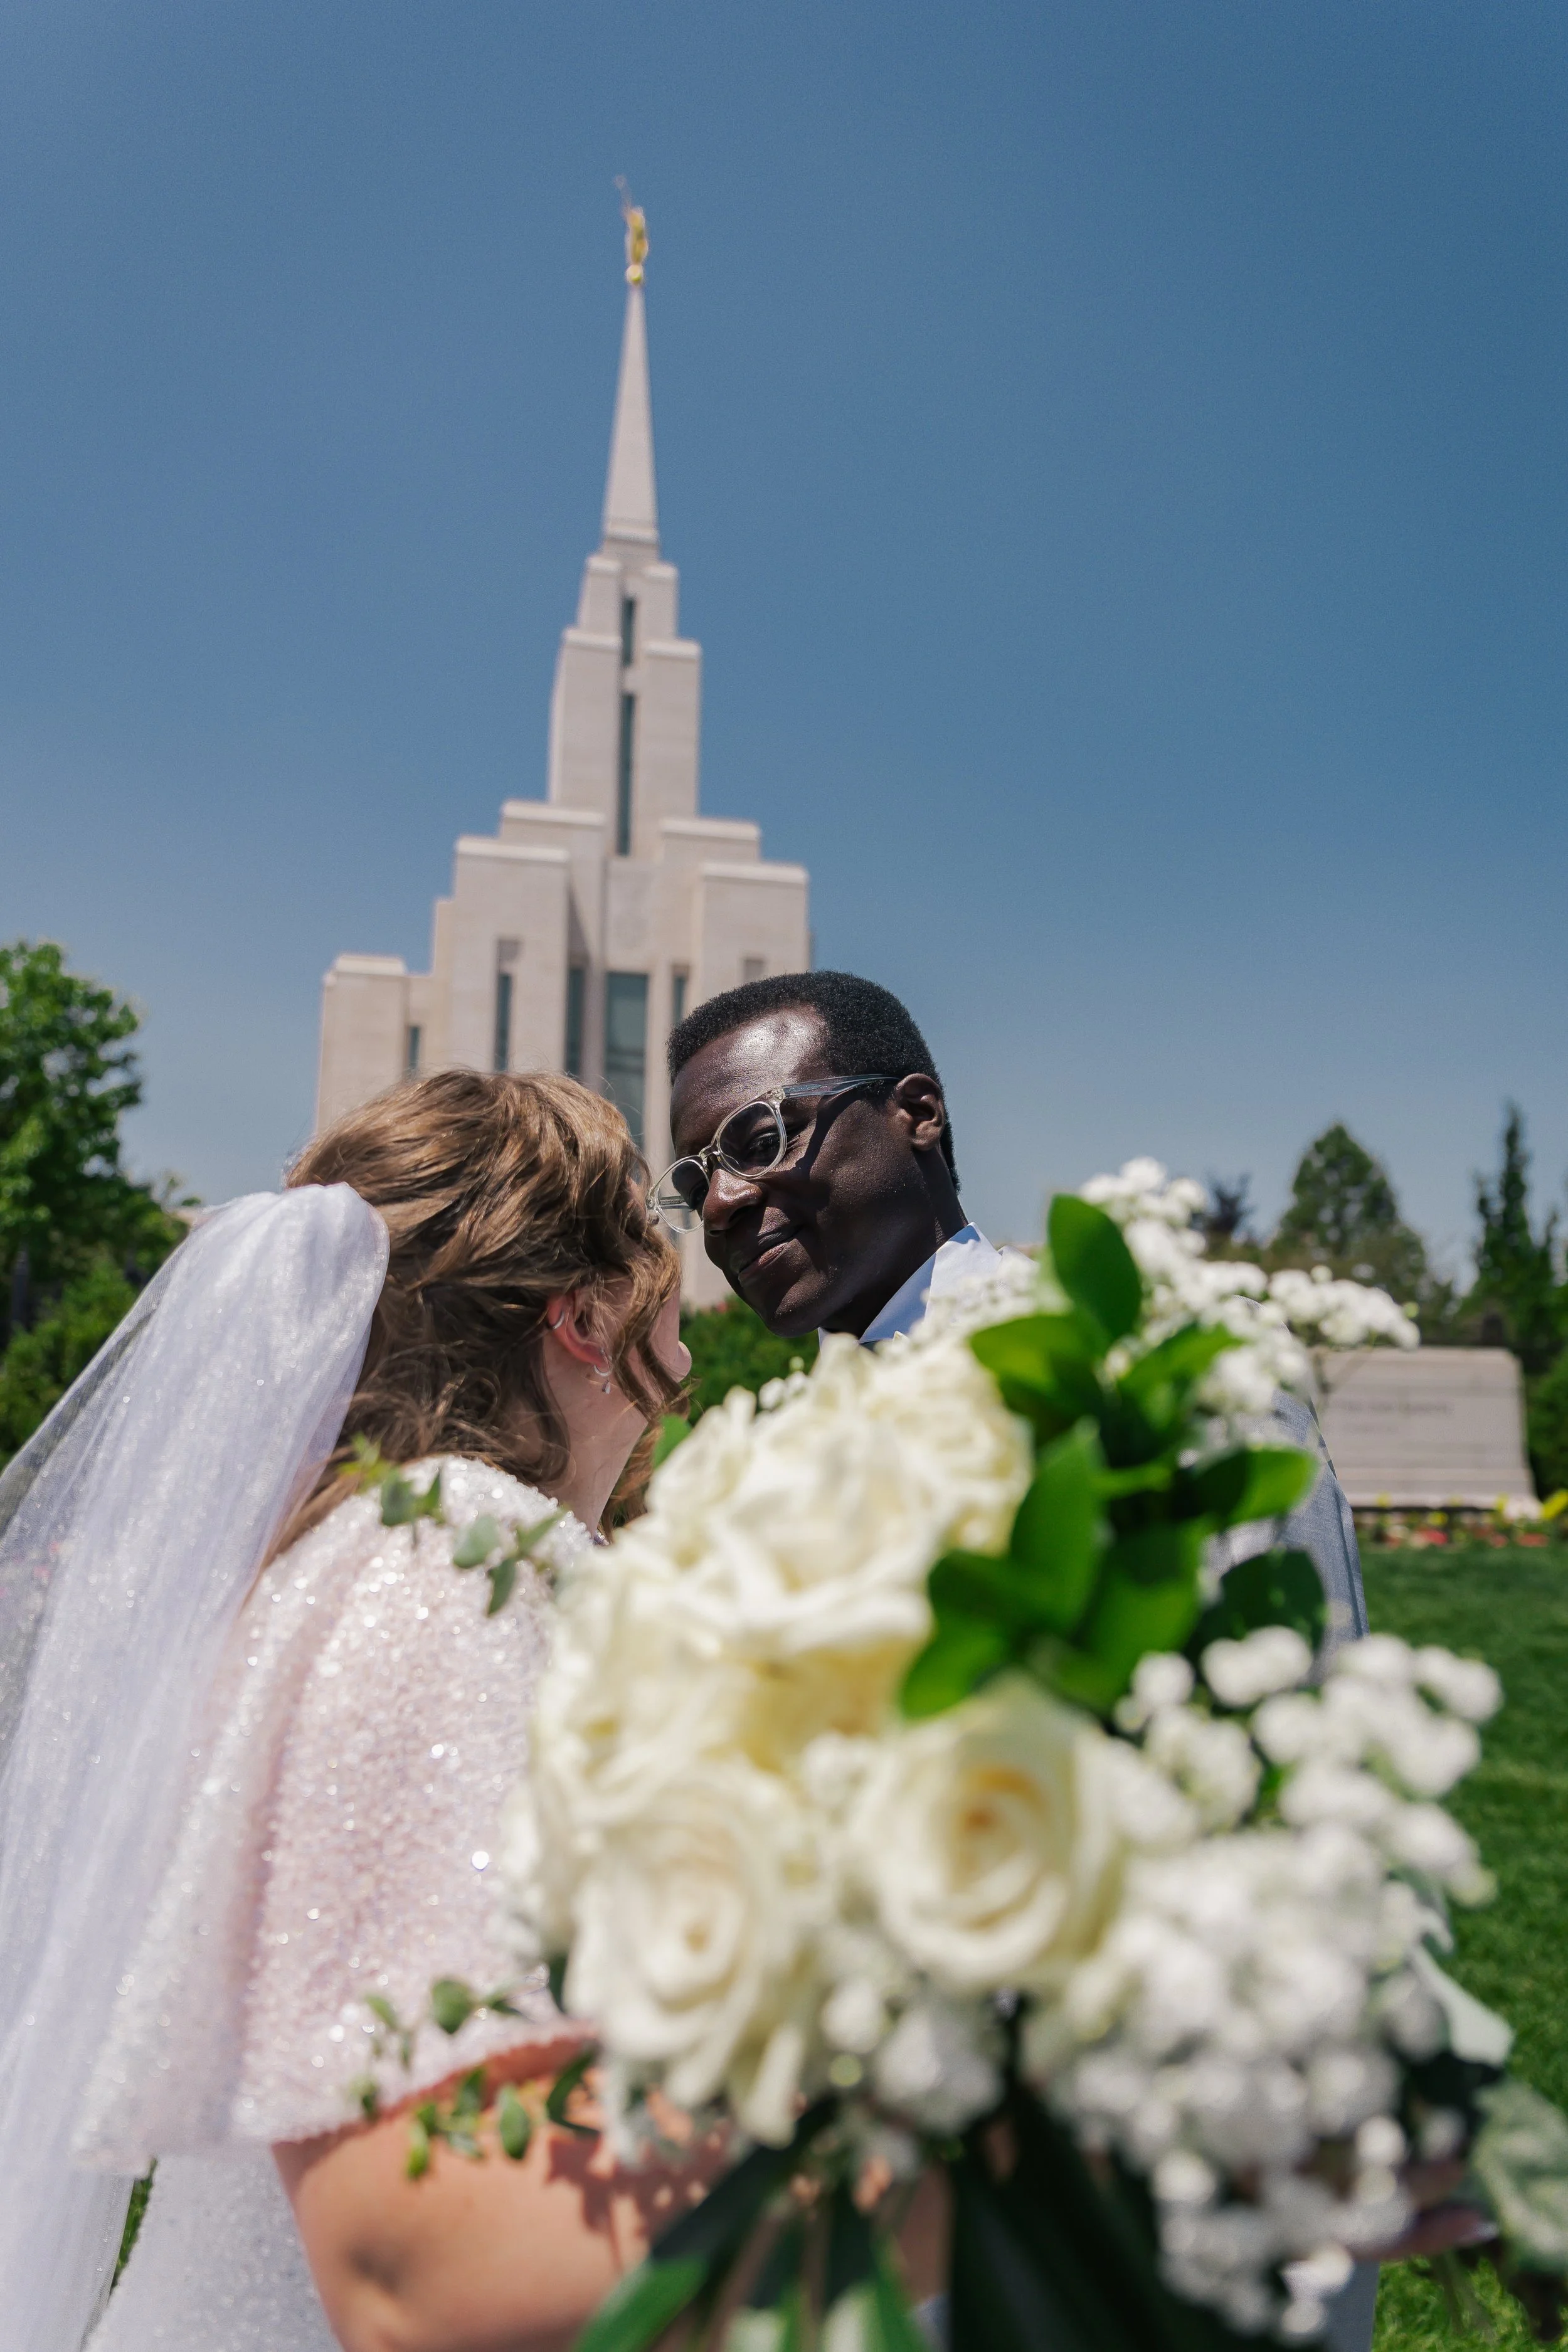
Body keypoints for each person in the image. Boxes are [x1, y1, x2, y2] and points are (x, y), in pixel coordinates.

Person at [663, 969, 1382, 2352]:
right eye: (695, 1177)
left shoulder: (1143, 1363)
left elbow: (1295, 1772)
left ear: (914, 1115)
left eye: (760, 1139)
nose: (726, 1204)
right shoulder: (775, 1465)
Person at [0, 1069, 717, 2352]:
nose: (688, 1290)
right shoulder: (445, 1558)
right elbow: (420, 2268)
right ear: (582, 1318)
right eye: (656, 1238)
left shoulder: (396, 1557)